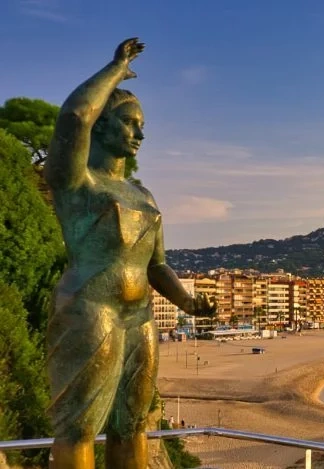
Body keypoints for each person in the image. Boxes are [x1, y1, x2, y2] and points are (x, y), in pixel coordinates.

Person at [44, 38, 214, 469]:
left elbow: (157, 265)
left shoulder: (142, 194)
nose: (141, 134)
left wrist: (188, 301)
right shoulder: (77, 183)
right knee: (79, 429)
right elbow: (74, 115)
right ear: (101, 126)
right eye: (130, 124)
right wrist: (115, 70)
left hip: (139, 317)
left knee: (133, 424)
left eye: (141, 125)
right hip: (89, 310)